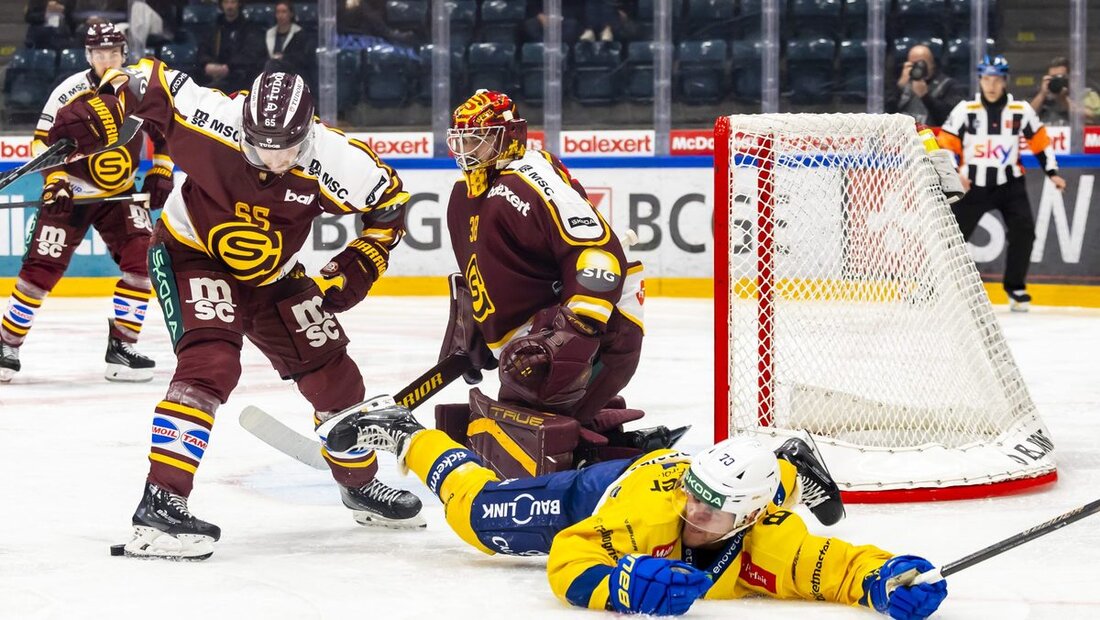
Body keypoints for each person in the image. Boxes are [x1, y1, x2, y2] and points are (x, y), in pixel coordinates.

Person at [43, 61, 422, 559]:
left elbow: (390, 207)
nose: (271, 157)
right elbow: (140, 76)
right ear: (243, 123)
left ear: (309, 133)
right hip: (190, 253)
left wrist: (360, 263)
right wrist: (109, 100)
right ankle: (161, 507)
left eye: (286, 145)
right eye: (260, 142)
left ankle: (359, 485)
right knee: (212, 362)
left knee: (336, 377)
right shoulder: (208, 116)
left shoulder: (340, 160)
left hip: (274, 273)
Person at [318, 400, 945, 618]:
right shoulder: (651, 516)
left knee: (735, 486)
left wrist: (887, 581)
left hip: (719, 480)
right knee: (483, 517)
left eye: (717, 511)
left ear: (756, 519)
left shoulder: (770, 540)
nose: (695, 515)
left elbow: (836, 565)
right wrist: (619, 582)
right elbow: (571, 555)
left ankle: (782, 465)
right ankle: (406, 433)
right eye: (697, 500)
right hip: (615, 488)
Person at [435, 89, 662, 481]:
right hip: (528, 334)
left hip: (593, 324)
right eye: (462, 139)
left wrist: (578, 327)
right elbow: (479, 270)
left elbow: (595, 250)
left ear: (509, 136)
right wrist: (470, 326)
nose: (467, 148)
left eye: (478, 138)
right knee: (520, 415)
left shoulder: (530, 177)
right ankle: (589, 432)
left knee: (526, 423)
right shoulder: (465, 193)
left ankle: (593, 445)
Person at [1, 22, 170, 383]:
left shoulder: (139, 89)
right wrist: (56, 181)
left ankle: (122, 348)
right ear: (87, 55)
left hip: (120, 194)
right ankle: (6, 344)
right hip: (72, 193)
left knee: (143, 261)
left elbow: (165, 130)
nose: (106, 59)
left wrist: (161, 169)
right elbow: (42, 143)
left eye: (112, 52)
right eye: (98, 53)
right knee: (40, 270)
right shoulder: (70, 91)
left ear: (124, 54)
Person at [938, 55, 1067, 312]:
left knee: (1024, 233)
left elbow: (1040, 143)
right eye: (987, 78)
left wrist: (1052, 172)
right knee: (951, 237)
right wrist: (955, 173)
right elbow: (945, 142)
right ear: (980, 80)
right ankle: (932, 285)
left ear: (1005, 80)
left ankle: (1015, 287)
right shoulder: (965, 110)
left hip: (1010, 185)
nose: (991, 84)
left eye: (996, 78)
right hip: (972, 185)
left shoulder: (1021, 111)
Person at [197, 0, 265, 94]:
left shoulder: (249, 28)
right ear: (221, 5)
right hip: (214, 71)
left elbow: (250, 54)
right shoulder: (215, 27)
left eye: (233, 2)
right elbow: (203, 49)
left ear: (239, 4)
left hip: (239, 74)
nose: (229, 6)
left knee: (212, 89)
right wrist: (206, 64)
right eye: (226, 2)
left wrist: (229, 67)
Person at [886, 44, 961, 127]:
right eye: (913, 64)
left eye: (921, 63)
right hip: (904, 135)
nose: (918, 67)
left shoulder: (948, 85)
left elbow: (948, 119)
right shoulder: (901, 82)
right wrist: (899, 88)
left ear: (932, 64)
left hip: (933, 136)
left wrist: (925, 97)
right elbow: (886, 114)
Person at [1029, 56, 1100, 126]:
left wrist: (1064, 101)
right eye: (1053, 78)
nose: (1056, 81)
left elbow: (1094, 117)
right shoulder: (1043, 97)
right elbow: (1026, 116)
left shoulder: (1086, 94)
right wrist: (1042, 94)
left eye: (1060, 77)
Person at [264, 0, 316, 89]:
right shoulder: (269, 33)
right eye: (278, 12)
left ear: (291, 14)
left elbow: (303, 58)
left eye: (284, 12)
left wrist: (283, 58)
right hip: (272, 74)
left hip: (293, 75)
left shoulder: (300, 34)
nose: (280, 15)